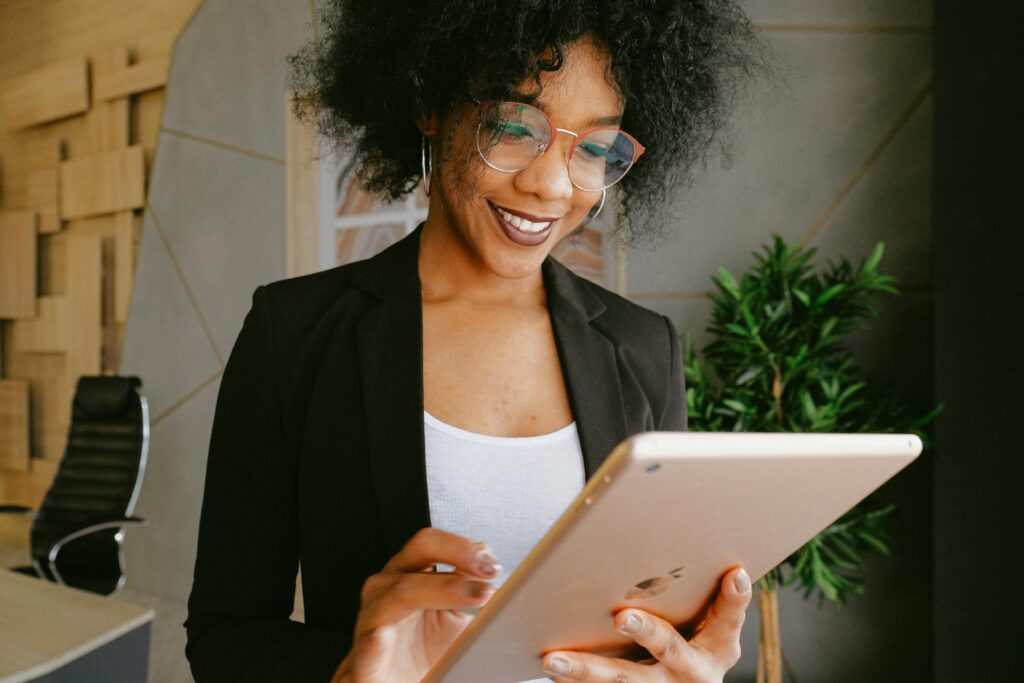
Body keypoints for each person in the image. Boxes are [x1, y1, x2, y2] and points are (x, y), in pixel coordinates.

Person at [185, 1, 763, 681]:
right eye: (515, 127)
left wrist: (694, 661)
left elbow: (659, 620)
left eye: (596, 148)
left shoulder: (644, 350)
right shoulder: (297, 336)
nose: (551, 185)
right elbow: (224, 637)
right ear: (429, 103)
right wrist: (350, 671)